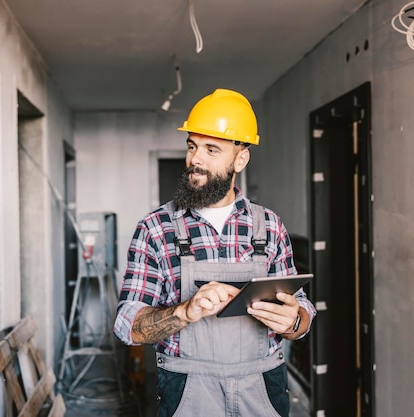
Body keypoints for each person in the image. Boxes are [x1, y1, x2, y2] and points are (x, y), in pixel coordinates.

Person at [113, 88, 316, 417]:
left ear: (240, 158)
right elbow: (128, 326)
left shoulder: (270, 226)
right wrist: (186, 312)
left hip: (262, 387)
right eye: (192, 146)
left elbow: (303, 311)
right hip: (188, 391)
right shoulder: (156, 229)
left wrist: (293, 320)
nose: (196, 159)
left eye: (211, 149)